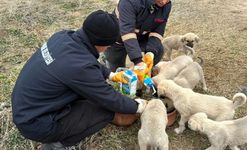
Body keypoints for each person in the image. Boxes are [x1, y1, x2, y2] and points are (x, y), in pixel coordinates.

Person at [11, 10, 148, 150]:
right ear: (100, 42)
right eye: (109, 44)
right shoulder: (81, 67)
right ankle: (57, 145)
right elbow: (109, 99)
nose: (108, 48)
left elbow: (85, 62)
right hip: (37, 124)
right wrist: (138, 106)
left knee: (88, 98)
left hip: (27, 108)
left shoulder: (63, 37)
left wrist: (110, 75)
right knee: (105, 110)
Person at [104, 0, 172, 72]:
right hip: (117, 38)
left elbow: (158, 31)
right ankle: (106, 62)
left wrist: (150, 53)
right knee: (116, 70)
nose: (164, 2)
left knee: (158, 50)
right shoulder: (129, 2)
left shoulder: (166, 5)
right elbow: (128, 32)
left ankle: (145, 72)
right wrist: (138, 61)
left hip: (140, 37)